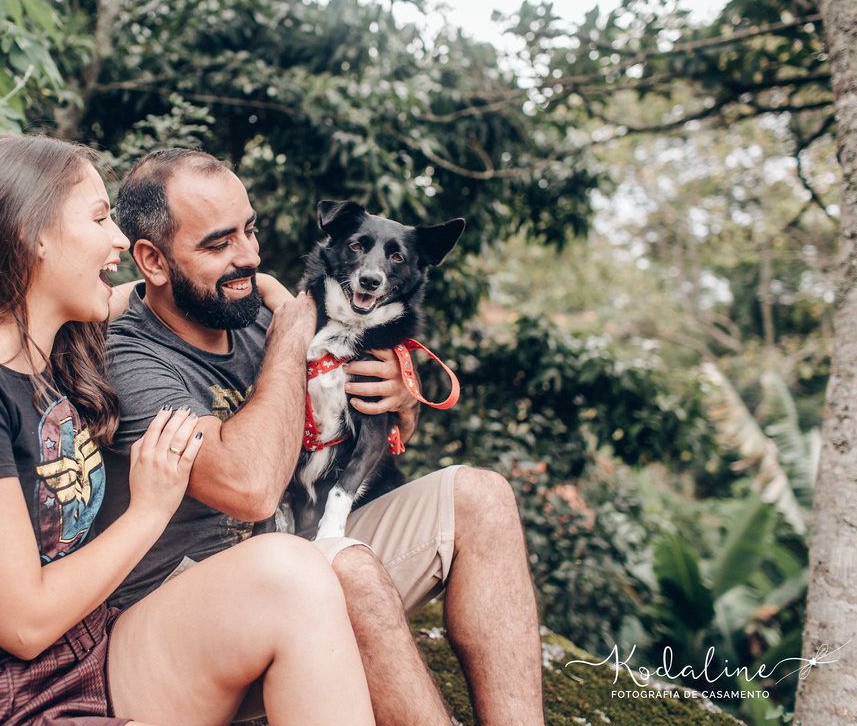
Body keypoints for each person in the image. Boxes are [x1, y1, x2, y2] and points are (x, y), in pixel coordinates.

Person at [0, 134, 376, 726]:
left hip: (93, 654)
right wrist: (148, 510)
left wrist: (354, 351)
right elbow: (24, 623)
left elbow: (154, 288)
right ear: (29, 238)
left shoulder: (58, 343)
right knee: (289, 573)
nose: (119, 241)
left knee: (293, 573)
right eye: (98, 218)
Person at [98, 148, 546, 726]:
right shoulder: (130, 354)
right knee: (344, 570)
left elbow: (358, 423)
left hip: (295, 548)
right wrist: (292, 331)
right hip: (185, 606)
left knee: (483, 497)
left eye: (249, 231)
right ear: (152, 262)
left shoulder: (248, 310)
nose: (250, 259)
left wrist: (398, 397)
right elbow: (251, 489)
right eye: (218, 244)